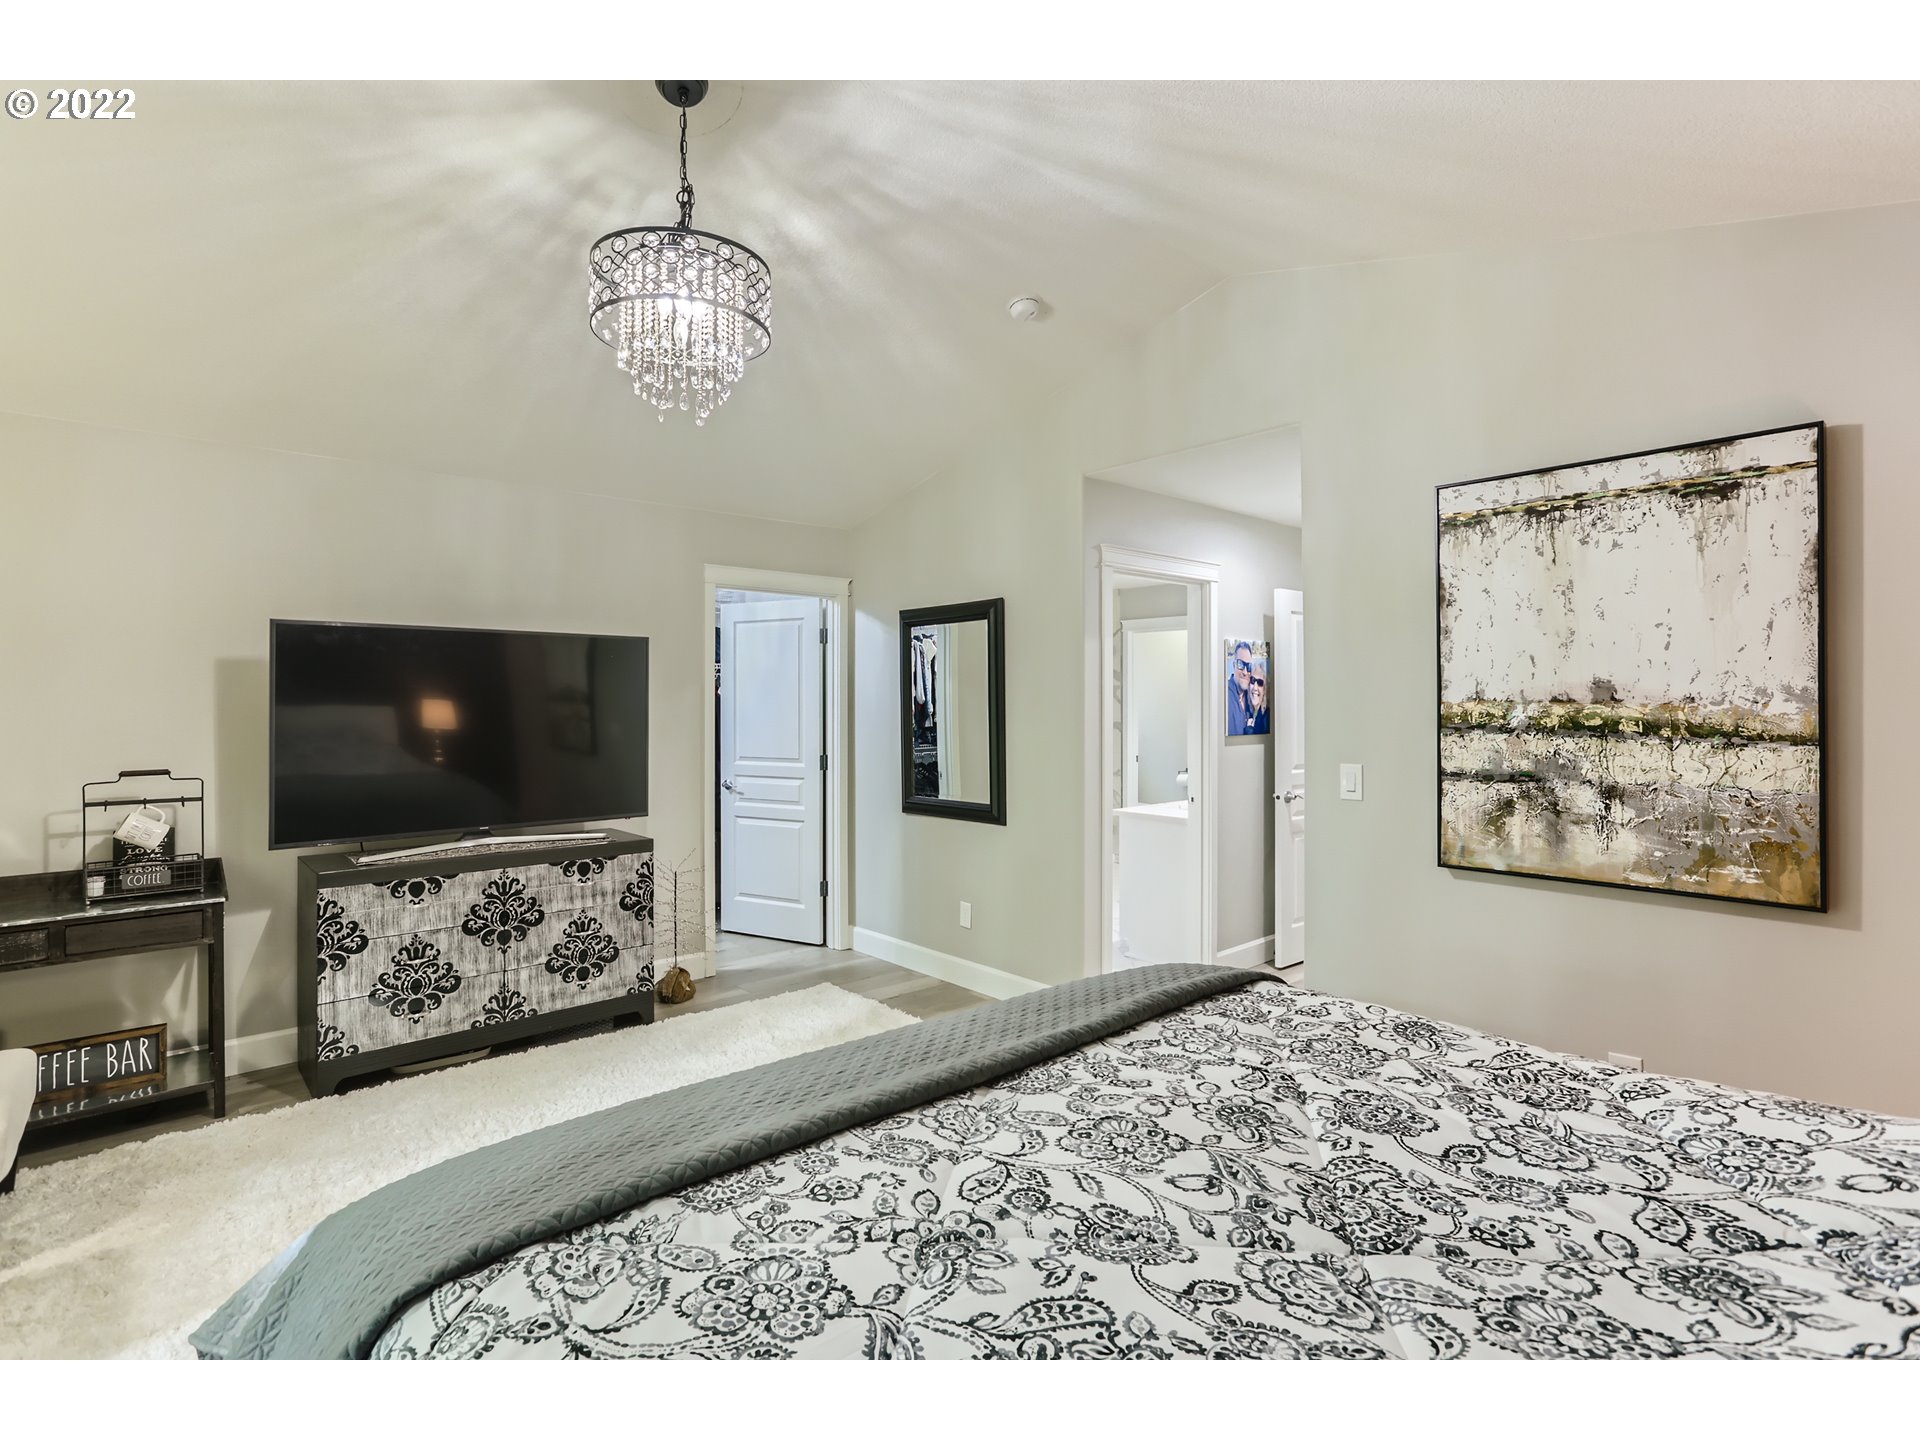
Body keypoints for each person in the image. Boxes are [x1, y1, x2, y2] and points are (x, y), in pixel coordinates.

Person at [1226, 640, 1254, 734]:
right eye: (1240, 664)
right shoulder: (1225, 697)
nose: (1245, 672)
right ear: (1234, 665)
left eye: (1248, 666)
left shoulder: (1251, 697)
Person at [1245, 661, 1271, 735]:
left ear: (1265, 689)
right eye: (1253, 680)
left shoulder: (1267, 718)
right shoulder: (1248, 711)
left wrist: (1249, 731)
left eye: (1260, 683)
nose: (1255, 688)